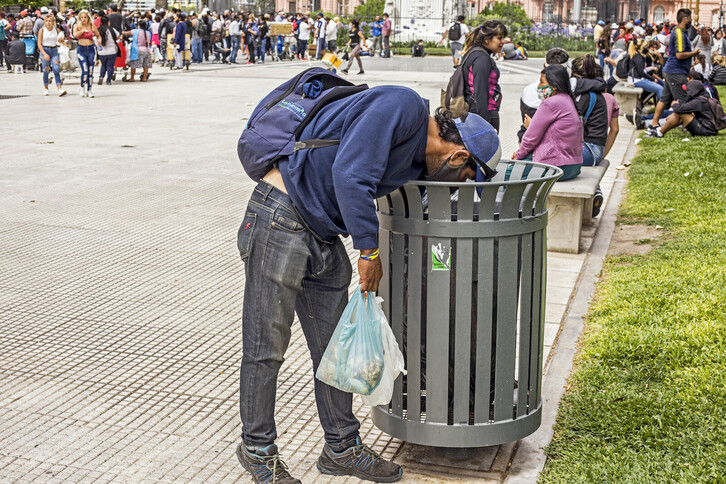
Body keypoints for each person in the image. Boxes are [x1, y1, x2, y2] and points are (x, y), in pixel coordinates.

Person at [235, 82, 500, 484]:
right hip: (280, 218)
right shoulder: (402, 105)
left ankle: (340, 447)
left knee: (335, 350)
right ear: (459, 154)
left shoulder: (414, 157)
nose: (458, 184)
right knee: (265, 347)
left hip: (321, 233)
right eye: (464, 177)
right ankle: (258, 451)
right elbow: (350, 173)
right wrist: (369, 252)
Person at [512, 64, 582, 181]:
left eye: (542, 82)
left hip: (555, 167)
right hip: (574, 166)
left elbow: (530, 138)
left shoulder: (550, 103)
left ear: (554, 86)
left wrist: (518, 156)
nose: (538, 86)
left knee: (505, 176)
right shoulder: (567, 99)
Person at [647, 9, 701, 137]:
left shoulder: (678, 32)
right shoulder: (679, 34)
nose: (691, 21)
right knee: (683, 100)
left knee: (664, 98)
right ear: (685, 19)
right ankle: (682, 126)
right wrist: (694, 53)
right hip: (676, 72)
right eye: (690, 18)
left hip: (671, 71)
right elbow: (679, 54)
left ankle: (654, 123)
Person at [459, 20, 507, 132]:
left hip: (475, 111)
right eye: (499, 38)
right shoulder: (482, 58)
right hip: (484, 112)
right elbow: (480, 91)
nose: (503, 42)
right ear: (487, 39)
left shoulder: (474, 53)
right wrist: (484, 124)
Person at [647, 80, 721, 137]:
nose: (687, 92)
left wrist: (674, 104)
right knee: (680, 113)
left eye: (688, 90)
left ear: (693, 90)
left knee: (681, 112)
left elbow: (679, 109)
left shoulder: (699, 101)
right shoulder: (703, 98)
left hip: (706, 130)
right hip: (709, 129)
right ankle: (659, 131)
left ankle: (659, 132)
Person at [571, 55, 608, 167]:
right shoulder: (594, 92)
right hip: (594, 148)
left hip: (590, 150)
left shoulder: (587, 96)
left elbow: (570, 120)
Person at [37, 13, 67, 97]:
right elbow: (39, 44)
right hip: (45, 50)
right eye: (46, 21)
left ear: (53, 22)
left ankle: (59, 88)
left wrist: (61, 41)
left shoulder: (56, 30)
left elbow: (61, 41)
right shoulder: (42, 30)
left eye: (50, 21)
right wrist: (44, 54)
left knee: (56, 69)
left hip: (54, 50)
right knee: (46, 70)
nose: (48, 22)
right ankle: (46, 88)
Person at [73, 9, 100, 98]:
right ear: (79, 18)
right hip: (81, 49)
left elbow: (98, 35)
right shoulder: (77, 25)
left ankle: (90, 89)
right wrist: (82, 31)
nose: (83, 19)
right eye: (82, 17)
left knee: (91, 70)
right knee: (85, 70)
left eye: (85, 17)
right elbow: (75, 34)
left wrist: (99, 41)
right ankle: (82, 87)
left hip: (91, 48)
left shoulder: (92, 26)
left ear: (88, 17)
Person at [96, 16, 118, 85]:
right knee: (110, 66)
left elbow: (96, 40)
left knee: (103, 65)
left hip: (101, 52)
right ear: (108, 22)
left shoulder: (98, 30)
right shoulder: (112, 30)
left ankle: (101, 77)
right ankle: (108, 80)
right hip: (112, 51)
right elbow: (118, 37)